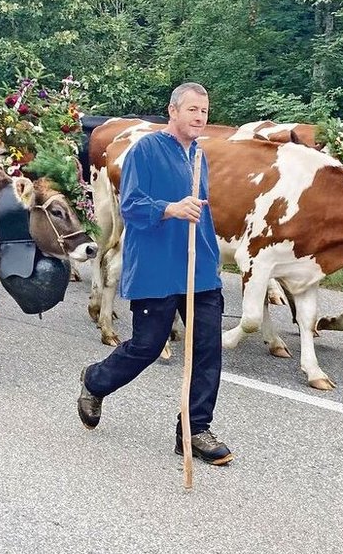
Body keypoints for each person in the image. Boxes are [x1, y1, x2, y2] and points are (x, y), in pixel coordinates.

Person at [77, 82, 233, 465]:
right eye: (193, 110)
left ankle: (194, 430)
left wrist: (212, 256)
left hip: (199, 269)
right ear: (173, 111)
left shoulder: (199, 155)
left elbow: (204, 213)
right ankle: (95, 381)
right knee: (147, 347)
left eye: (205, 111)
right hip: (156, 267)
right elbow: (131, 206)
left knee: (207, 350)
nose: (200, 117)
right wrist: (170, 208)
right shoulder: (144, 151)